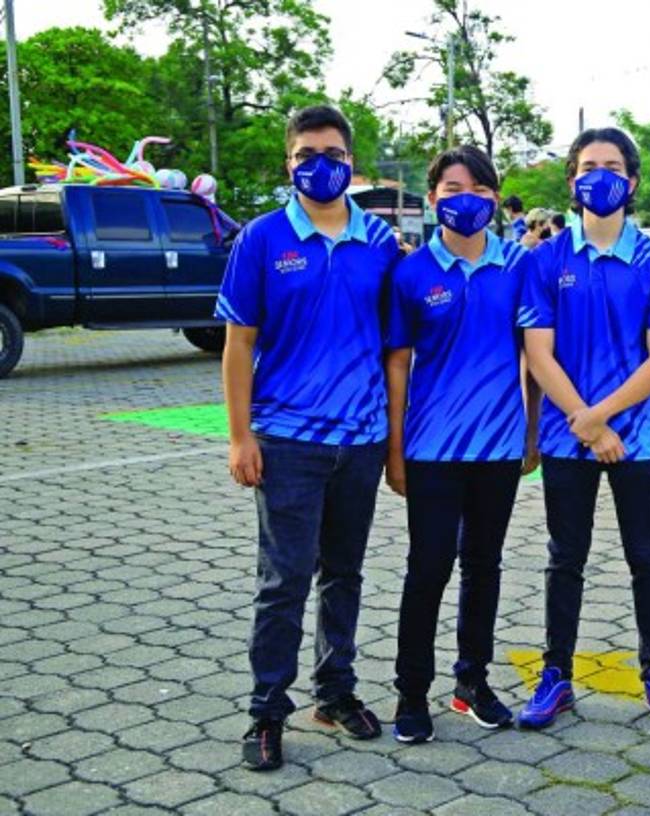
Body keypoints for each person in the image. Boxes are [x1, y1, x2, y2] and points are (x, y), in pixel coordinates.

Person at [216, 105, 400, 771]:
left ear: (352, 162)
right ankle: (267, 710)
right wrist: (241, 438)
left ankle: (336, 692)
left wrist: (395, 446)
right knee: (284, 579)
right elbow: (239, 344)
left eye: (333, 153)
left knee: (344, 572)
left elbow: (395, 351)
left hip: (361, 439)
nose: (320, 165)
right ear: (288, 164)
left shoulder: (380, 242)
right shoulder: (262, 239)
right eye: (306, 155)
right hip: (287, 441)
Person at [516, 127, 650, 730]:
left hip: (636, 441)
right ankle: (556, 676)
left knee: (648, 556)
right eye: (589, 165)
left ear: (633, 181)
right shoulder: (546, 259)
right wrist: (587, 427)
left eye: (613, 165)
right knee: (566, 558)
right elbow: (539, 354)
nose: (601, 175)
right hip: (571, 441)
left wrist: (601, 419)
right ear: (572, 180)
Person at [384, 145, 541, 744]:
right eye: (451, 188)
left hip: (498, 449)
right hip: (430, 450)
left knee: (483, 566)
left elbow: (533, 357)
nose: (464, 199)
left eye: (476, 188)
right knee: (428, 567)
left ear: (494, 199)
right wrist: (395, 451)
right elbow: (398, 364)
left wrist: (529, 433)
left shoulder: (518, 268)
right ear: (432, 199)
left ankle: (472, 680)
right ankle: (410, 692)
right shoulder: (412, 273)